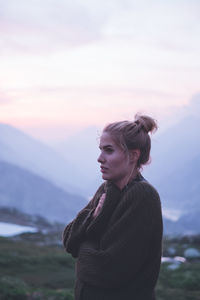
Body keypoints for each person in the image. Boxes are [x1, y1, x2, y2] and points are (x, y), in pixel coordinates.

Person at [63, 114, 163, 300]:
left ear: (133, 155)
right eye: (100, 150)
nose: (100, 158)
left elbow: (105, 270)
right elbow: (69, 240)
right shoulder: (108, 189)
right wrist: (93, 217)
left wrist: (83, 245)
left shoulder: (143, 196)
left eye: (108, 150)